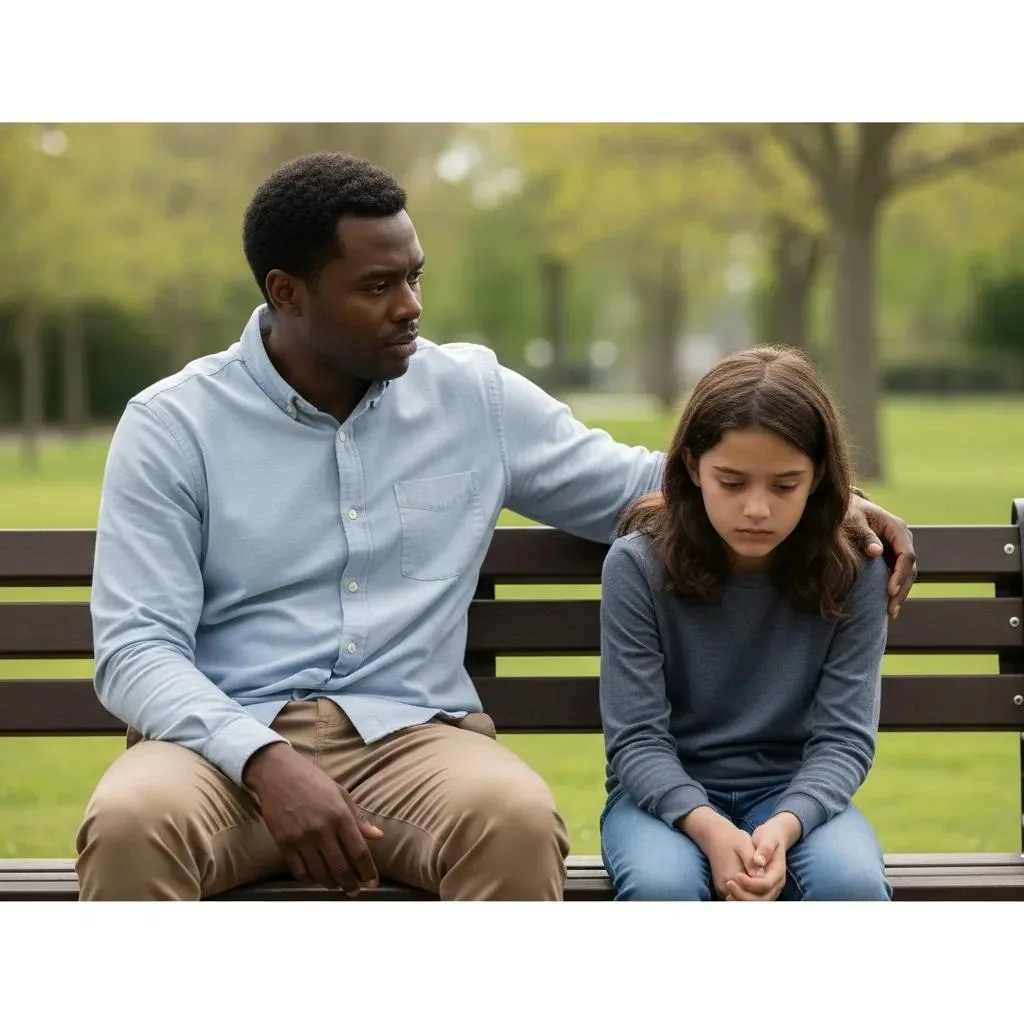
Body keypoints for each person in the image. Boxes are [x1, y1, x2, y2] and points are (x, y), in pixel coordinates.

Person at [75, 152, 915, 901]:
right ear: (286, 292)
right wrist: (263, 759)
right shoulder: (174, 426)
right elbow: (136, 648)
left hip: (412, 742)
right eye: (378, 287)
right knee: (128, 822)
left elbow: (652, 484)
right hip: (220, 749)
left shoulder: (470, 396)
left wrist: (836, 503)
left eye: (415, 277)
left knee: (515, 819)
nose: (411, 307)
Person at [599, 346, 893, 901]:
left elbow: (845, 739)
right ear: (693, 466)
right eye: (731, 483)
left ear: (818, 475)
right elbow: (636, 739)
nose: (757, 509)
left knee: (850, 882)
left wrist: (785, 825)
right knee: (662, 886)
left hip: (796, 797)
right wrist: (708, 827)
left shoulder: (857, 570)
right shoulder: (637, 566)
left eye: (784, 486)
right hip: (661, 802)